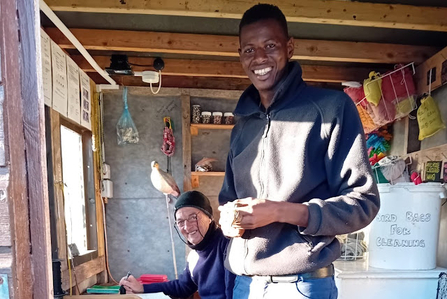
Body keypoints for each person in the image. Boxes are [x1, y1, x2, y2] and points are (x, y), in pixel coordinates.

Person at [218, 4, 380, 299]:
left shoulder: (331, 109)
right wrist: (230, 220)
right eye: (249, 50)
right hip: (245, 285)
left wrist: (280, 211)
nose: (260, 58)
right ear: (240, 54)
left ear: (289, 47)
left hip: (300, 286)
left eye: (270, 46)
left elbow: (363, 203)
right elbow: (228, 198)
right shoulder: (243, 124)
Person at [120, 190, 235, 299]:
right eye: (180, 222)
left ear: (209, 217)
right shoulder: (194, 256)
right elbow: (182, 287)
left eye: (193, 217)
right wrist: (141, 288)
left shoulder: (228, 244)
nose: (187, 227)